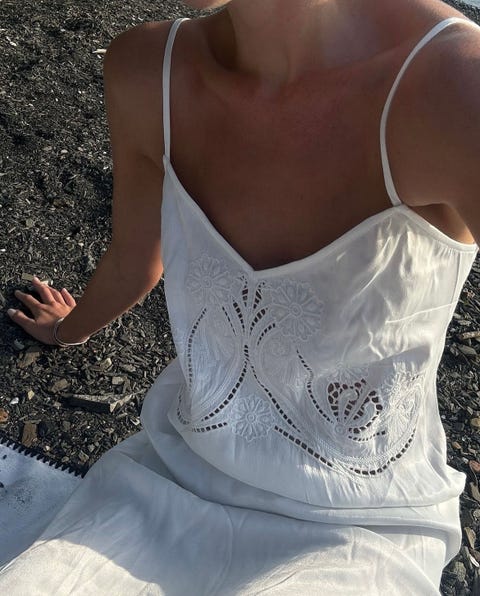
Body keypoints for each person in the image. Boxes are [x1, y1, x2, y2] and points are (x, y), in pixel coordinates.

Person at [2, 0, 480, 593]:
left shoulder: (453, 85)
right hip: (177, 471)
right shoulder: (146, 68)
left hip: (358, 519)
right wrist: (64, 330)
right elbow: (134, 261)